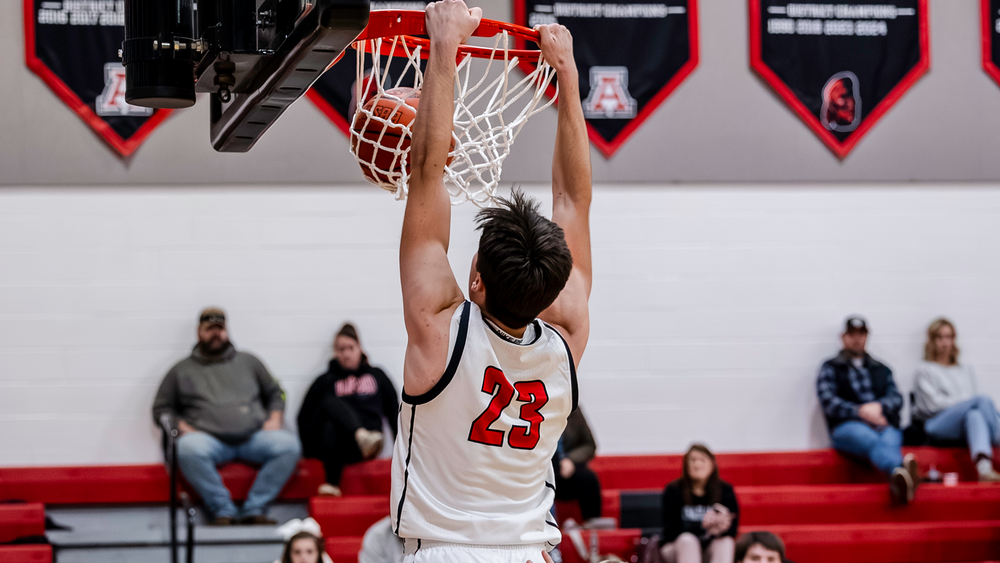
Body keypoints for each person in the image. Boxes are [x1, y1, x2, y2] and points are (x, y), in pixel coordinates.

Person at [388, 2, 592, 562]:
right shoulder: (567, 334)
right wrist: (568, 76)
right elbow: (574, 201)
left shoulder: (439, 327)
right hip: (530, 553)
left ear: (474, 278)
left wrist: (444, 48)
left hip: (446, 551)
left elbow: (427, 168)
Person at [152, 307, 301, 525]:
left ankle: (255, 509)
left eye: (220, 329)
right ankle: (223, 510)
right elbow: (160, 409)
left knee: (289, 446)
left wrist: (275, 416)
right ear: (199, 332)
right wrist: (180, 425)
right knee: (186, 448)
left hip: (254, 436)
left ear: (227, 331)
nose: (215, 334)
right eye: (209, 329)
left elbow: (276, 392)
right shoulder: (181, 370)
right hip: (208, 440)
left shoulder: (250, 362)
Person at [816, 316, 917, 504]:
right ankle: (900, 470)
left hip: (884, 425)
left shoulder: (882, 369)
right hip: (848, 427)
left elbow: (896, 398)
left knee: (889, 438)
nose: (857, 338)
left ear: (867, 336)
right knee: (870, 439)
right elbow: (829, 402)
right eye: (852, 334)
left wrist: (879, 407)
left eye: (861, 334)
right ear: (843, 337)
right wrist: (860, 411)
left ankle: (901, 479)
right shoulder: (830, 368)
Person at [297, 323, 399, 497]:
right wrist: (309, 451)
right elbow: (304, 418)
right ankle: (359, 437)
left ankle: (333, 482)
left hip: (370, 445)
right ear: (335, 353)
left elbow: (395, 412)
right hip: (336, 445)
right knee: (328, 409)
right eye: (341, 349)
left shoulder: (377, 375)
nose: (346, 354)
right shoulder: (326, 381)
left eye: (350, 348)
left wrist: (402, 453)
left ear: (360, 348)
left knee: (329, 407)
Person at [913, 318, 1000, 481]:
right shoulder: (924, 369)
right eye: (940, 337)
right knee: (981, 400)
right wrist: (966, 402)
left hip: (964, 423)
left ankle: (984, 469)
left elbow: (973, 405)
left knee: (974, 415)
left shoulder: (965, 369)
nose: (945, 342)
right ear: (932, 341)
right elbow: (933, 405)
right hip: (937, 423)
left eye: (949, 337)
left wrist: (967, 403)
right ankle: (996, 436)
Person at [659, 445, 738, 563]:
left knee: (726, 542)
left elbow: (733, 528)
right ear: (686, 465)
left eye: (702, 460)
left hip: (709, 549)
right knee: (688, 541)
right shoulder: (673, 490)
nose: (697, 465)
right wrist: (703, 526)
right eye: (693, 460)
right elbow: (670, 531)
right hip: (677, 549)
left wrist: (720, 528)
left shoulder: (725, 489)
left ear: (712, 464)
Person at [554, 407, 603, 524]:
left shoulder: (573, 408)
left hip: (566, 470)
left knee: (588, 478)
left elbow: (590, 445)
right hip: (542, 466)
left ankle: (592, 526)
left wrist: (570, 459)